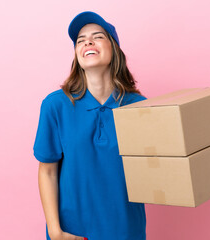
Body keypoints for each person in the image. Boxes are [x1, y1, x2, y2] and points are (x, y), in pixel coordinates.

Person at [33, 11, 147, 240]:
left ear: (114, 48)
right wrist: (55, 232)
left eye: (97, 36)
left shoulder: (140, 107)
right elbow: (47, 171)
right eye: (80, 40)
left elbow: (156, 168)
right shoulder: (55, 105)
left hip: (126, 230)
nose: (88, 42)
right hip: (72, 233)